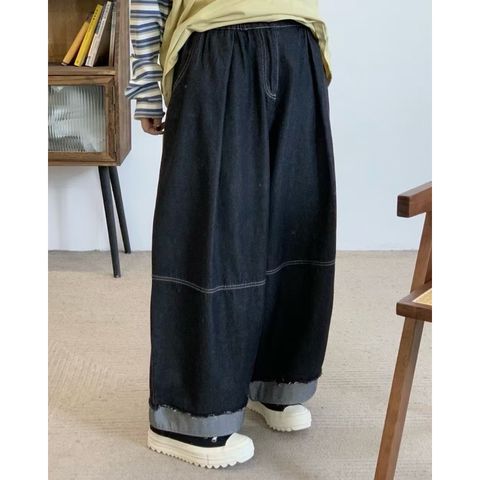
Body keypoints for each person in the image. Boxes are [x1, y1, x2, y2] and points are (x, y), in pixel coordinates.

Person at [125, 0, 336, 469]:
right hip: (216, 49)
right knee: (210, 236)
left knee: (296, 226)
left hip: (297, 44)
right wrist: (147, 89)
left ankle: (275, 380)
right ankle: (188, 416)